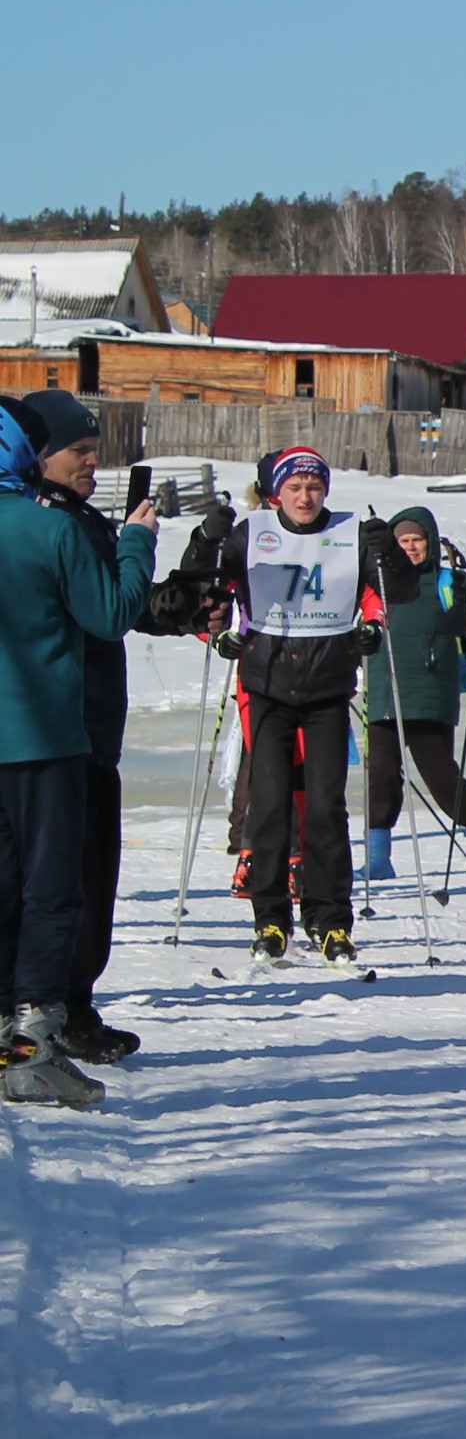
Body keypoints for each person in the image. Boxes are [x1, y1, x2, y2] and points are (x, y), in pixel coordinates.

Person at [186, 447, 420, 962]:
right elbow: (208, 590)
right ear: (276, 492)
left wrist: (388, 556)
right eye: (294, 488)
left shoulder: (350, 532)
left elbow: (397, 592)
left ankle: (330, 919)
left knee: (325, 809)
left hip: (327, 691)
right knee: (268, 811)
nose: (305, 497)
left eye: (313, 487)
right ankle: (271, 920)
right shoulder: (252, 532)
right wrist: (207, 543)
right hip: (267, 686)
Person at [0, 397, 156, 1107]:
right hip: (46, 737)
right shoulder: (49, 528)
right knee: (52, 892)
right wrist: (136, 544)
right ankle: (31, 1041)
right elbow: (110, 614)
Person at [361, 505, 466, 882]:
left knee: (439, 776)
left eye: (416, 540)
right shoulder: (376, 583)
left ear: (430, 543)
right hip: (385, 691)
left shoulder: (449, 581)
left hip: (431, 690)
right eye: (401, 541)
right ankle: (378, 857)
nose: (409, 547)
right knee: (381, 776)